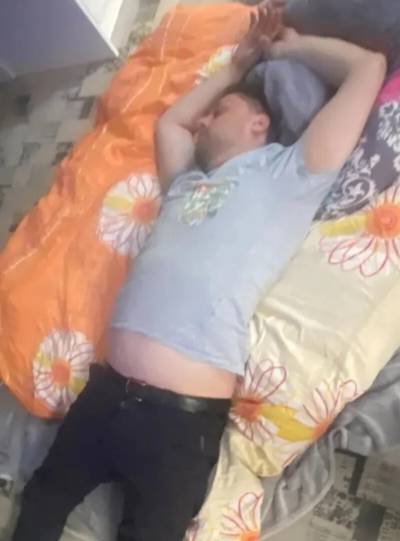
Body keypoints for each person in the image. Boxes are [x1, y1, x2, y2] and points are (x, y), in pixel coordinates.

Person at [11, 2, 386, 541]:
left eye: (219, 111)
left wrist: (288, 48)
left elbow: (370, 68)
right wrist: (236, 66)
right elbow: (170, 123)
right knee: (40, 504)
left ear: (259, 123)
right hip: (104, 395)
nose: (204, 119)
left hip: (178, 424)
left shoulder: (291, 173)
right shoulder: (185, 181)